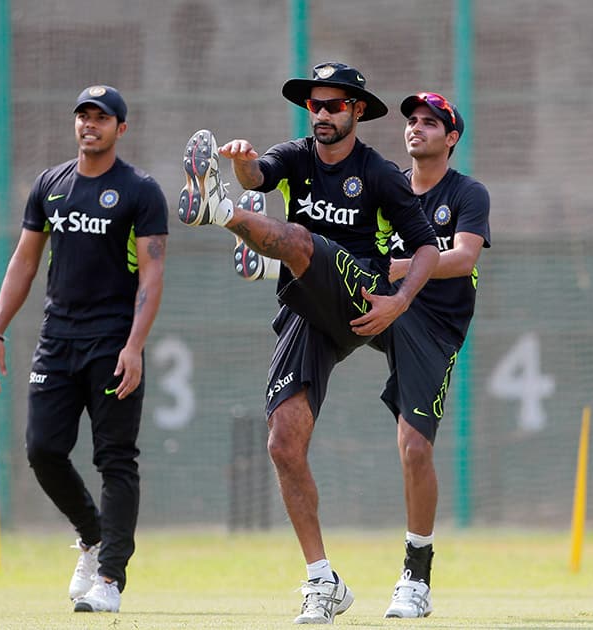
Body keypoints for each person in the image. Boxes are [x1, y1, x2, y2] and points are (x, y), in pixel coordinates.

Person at [177, 62, 440, 624]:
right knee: (283, 442)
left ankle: (218, 212)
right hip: (311, 306)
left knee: (298, 240)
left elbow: (426, 251)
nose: (320, 114)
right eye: (313, 106)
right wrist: (245, 166)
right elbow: (259, 176)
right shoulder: (295, 155)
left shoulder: (381, 174)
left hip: (361, 291)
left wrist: (399, 302)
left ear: (357, 111)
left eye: (332, 106)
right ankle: (323, 582)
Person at [0, 85, 169, 614]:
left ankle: (109, 577)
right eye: (83, 116)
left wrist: (135, 346)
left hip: (113, 344)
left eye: (101, 118)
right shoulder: (50, 185)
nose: (90, 124)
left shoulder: (140, 190)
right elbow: (24, 262)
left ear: (120, 128)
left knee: (115, 458)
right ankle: (91, 536)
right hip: (56, 341)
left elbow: (153, 275)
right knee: (42, 449)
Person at [371, 92, 490, 619]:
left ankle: (416, 576)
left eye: (429, 123)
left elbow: (463, 259)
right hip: (382, 305)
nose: (416, 129)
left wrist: (402, 268)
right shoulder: (388, 185)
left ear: (451, 137)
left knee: (414, 447)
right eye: (411, 121)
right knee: (321, 276)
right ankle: (263, 255)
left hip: (433, 326)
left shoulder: (467, 192)